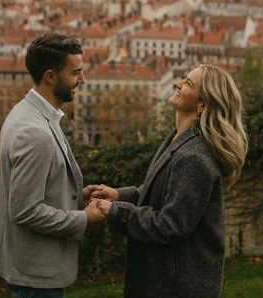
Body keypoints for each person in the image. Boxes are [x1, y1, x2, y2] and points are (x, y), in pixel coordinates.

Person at [88, 65, 248, 298]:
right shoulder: (180, 140)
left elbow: (171, 224)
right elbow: (164, 192)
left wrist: (115, 211)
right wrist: (119, 195)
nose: (177, 84)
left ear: (202, 104)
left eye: (188, 84)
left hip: (177, 285)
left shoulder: (194, 157)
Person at [0, 33, 104, 298]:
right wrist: (84, 218)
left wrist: (75, 197)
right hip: (35, 273)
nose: (82, 80)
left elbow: (37, 186)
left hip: (28, 265)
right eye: (76, 73)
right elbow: (26, 211)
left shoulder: (29, 113)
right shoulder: (34, 132)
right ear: (51, 76)